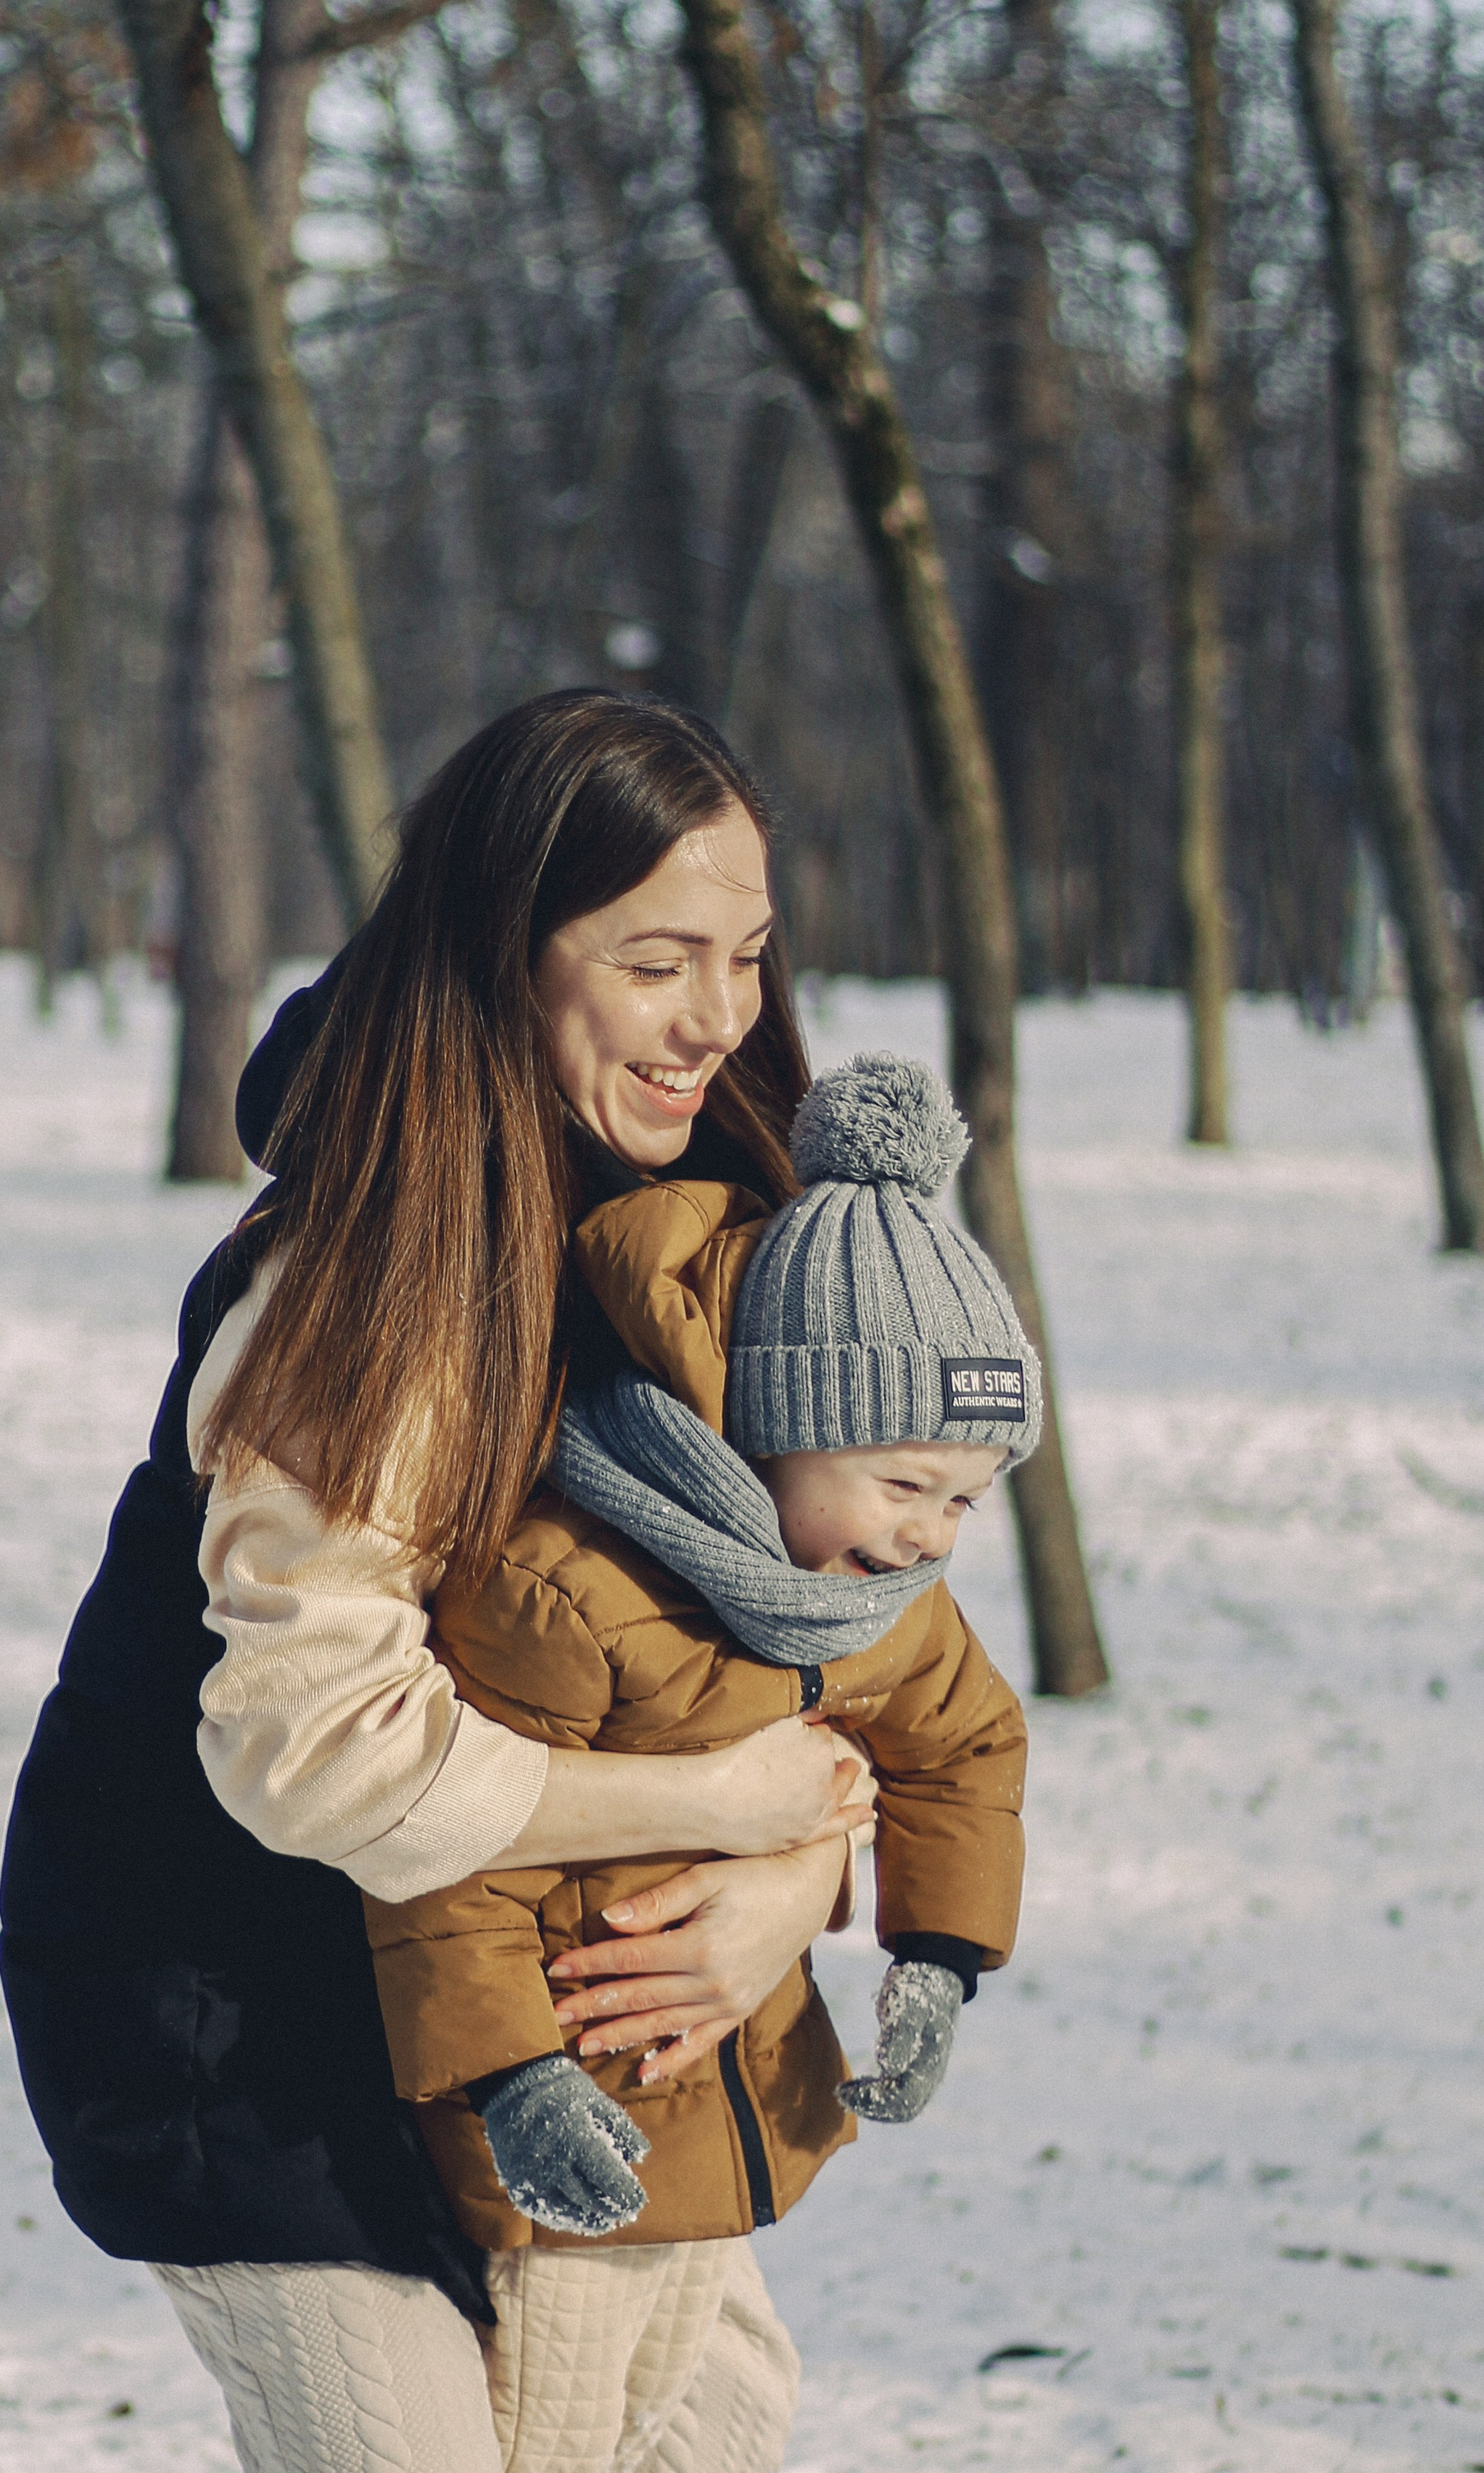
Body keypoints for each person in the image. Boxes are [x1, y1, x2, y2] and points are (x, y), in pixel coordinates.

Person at [0, 692, 880, 2473]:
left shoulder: (708, 1230)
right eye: (655, 962)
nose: (717, 1015)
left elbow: (830, 1631)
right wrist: (710, 1806)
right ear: (502, 952)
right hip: (235, 1999)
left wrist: (788, 1876)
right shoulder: (364, 1283)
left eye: (744, 955)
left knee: (711, 2427)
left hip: (507, 1982)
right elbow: (314, 1747)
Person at [362, 1052, 1032, 2473]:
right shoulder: (571, 1587)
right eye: (904, 1484)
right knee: (556, 2430)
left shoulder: (878, 1600)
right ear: (777, 1429)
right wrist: (513, 2078)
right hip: (568, 2133)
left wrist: (936, 1958)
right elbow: (455, 1850)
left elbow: (965, 1741)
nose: (931, 1536)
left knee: (725, 2414)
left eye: (965, 1501)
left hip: (722, 2117)